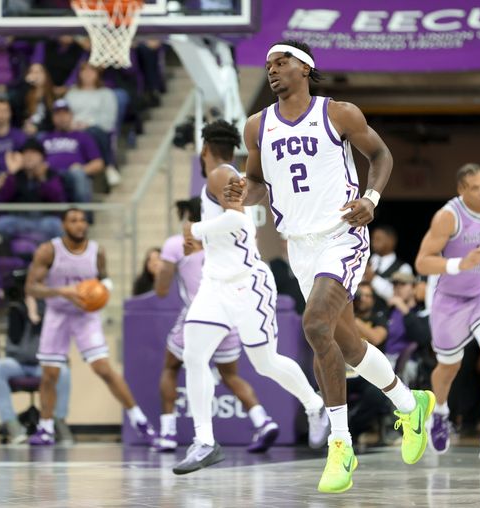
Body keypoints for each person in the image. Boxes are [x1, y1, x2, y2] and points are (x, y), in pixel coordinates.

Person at [223, 40, 433, 494]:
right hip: (299, 245)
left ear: (305, 67)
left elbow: (381, 156)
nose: (273, 70)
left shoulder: (338, 113)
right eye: (268, 65)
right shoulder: (256, 126)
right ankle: (409, 403)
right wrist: (243, 193)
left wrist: (371, 199)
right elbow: (259, 182)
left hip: (342, 234)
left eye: (281, 62)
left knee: (315, 324)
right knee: (348, 345)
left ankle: (340, 443)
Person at [172, 119, 329, 474]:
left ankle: (314, 404)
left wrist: (195, 229)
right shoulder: (222, 176)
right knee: (195, 355)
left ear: (204, 151)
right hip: (215, 282)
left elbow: (242, 223)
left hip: (247, 283)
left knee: (265, 362)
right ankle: (205, 442)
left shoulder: (219, 175)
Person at [154, 195, 305, 454]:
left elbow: (161, 288)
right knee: (231, 375)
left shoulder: (176, 243)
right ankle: (262, 420)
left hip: (200, 316)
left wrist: (161, 270)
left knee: (171, 367)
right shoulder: (226, 239)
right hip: (231, 315)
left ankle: (168, 433)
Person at [24, 208, 156, 445]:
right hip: (58, 313)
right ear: (63, 225)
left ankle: (139, 420)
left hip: (86, 315)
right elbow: (31, 288)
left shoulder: (97, 251)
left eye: (83, 220)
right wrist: (60, 291)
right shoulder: (49, 251)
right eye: (73, 221)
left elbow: (105, 278)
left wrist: (102, 291)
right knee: (49, 375)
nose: (79, 225)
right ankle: (45, 428)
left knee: (104, 369)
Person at [415, 163, 480, 460]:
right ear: (462, 190)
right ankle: (441, 413)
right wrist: (458, 264)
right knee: (448, 367)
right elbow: (422, 262)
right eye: (475, 187)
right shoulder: (448, 216)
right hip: (450, 299)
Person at [0, 273, 72, 444]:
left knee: (63, 372)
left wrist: (39, 317)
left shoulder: (50, 310)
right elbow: (17, 343)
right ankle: (11, 423)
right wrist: (28, 315)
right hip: (17, 363)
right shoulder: (16, 310)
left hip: (42, 364)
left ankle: (58, 422)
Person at [0, 138, 67, 243]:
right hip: (19, 218)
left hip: (42, 219)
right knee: (1, 224)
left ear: (41, 157)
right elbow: (3, 198)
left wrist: (42, 178)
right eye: (25, 153)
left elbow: (57, 199)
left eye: (33, 153)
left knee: (56, 225)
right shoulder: (16, 175)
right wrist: (11, 174)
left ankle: (30, 240)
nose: (29, 156)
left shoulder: (50, 174)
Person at [41, 99, 104, 203]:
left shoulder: (83, 137)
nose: (62, 118)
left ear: (71, 115)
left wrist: (82, 169)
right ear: (53, 117)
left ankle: (82, 216)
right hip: (51, 175)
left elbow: (98, 163)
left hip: (73, 176)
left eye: (65, 114)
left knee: (78, 175)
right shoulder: (44, 138)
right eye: (58, 114)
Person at [365, 224, 414, 306]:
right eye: (373, 238)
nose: (373, 242)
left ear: (391, 241)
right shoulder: (366, 260)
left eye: (378, 239)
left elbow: (400, 296)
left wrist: (373, 279)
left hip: (388, 315)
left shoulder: (403, 267)